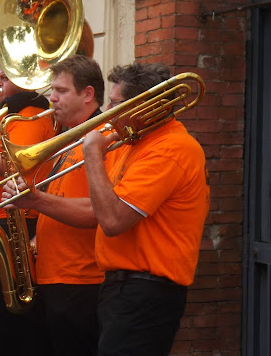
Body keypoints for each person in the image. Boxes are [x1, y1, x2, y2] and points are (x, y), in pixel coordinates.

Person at [79, 62, 210, 355]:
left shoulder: (170, 148)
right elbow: (98, 206)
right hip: (124, 289)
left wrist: (91, 153)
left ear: (142, 105)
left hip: (146, 291)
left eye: (115, 105)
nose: (108, 114)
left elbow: (112, 220)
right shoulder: (134, 142)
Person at [0, 54, 106, 355]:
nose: (52, 98)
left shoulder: (103, 139)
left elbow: (96, 212)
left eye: (61, 91)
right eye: (52, 91)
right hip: (54, 276)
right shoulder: (68, 138)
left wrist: (35, 199)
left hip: (80, 281)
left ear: (87, 95)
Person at [0, 62, 56, 355]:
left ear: (25, 79)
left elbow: (15, 164)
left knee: (10, 316)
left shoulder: (30, 116)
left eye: (4, 75)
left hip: (20, 219)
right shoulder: (10, 113)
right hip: (2, 214)